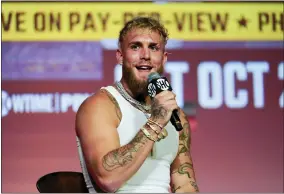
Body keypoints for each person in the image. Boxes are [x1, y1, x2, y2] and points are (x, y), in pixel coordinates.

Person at [76, 16, 199, 193]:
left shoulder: (175, 116)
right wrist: (155, 122)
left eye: (153, 48)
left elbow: (186, 184)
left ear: (163, 59)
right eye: (135, 47)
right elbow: (108, 179)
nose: (145, 56)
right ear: (120, 56)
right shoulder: (100, 106)